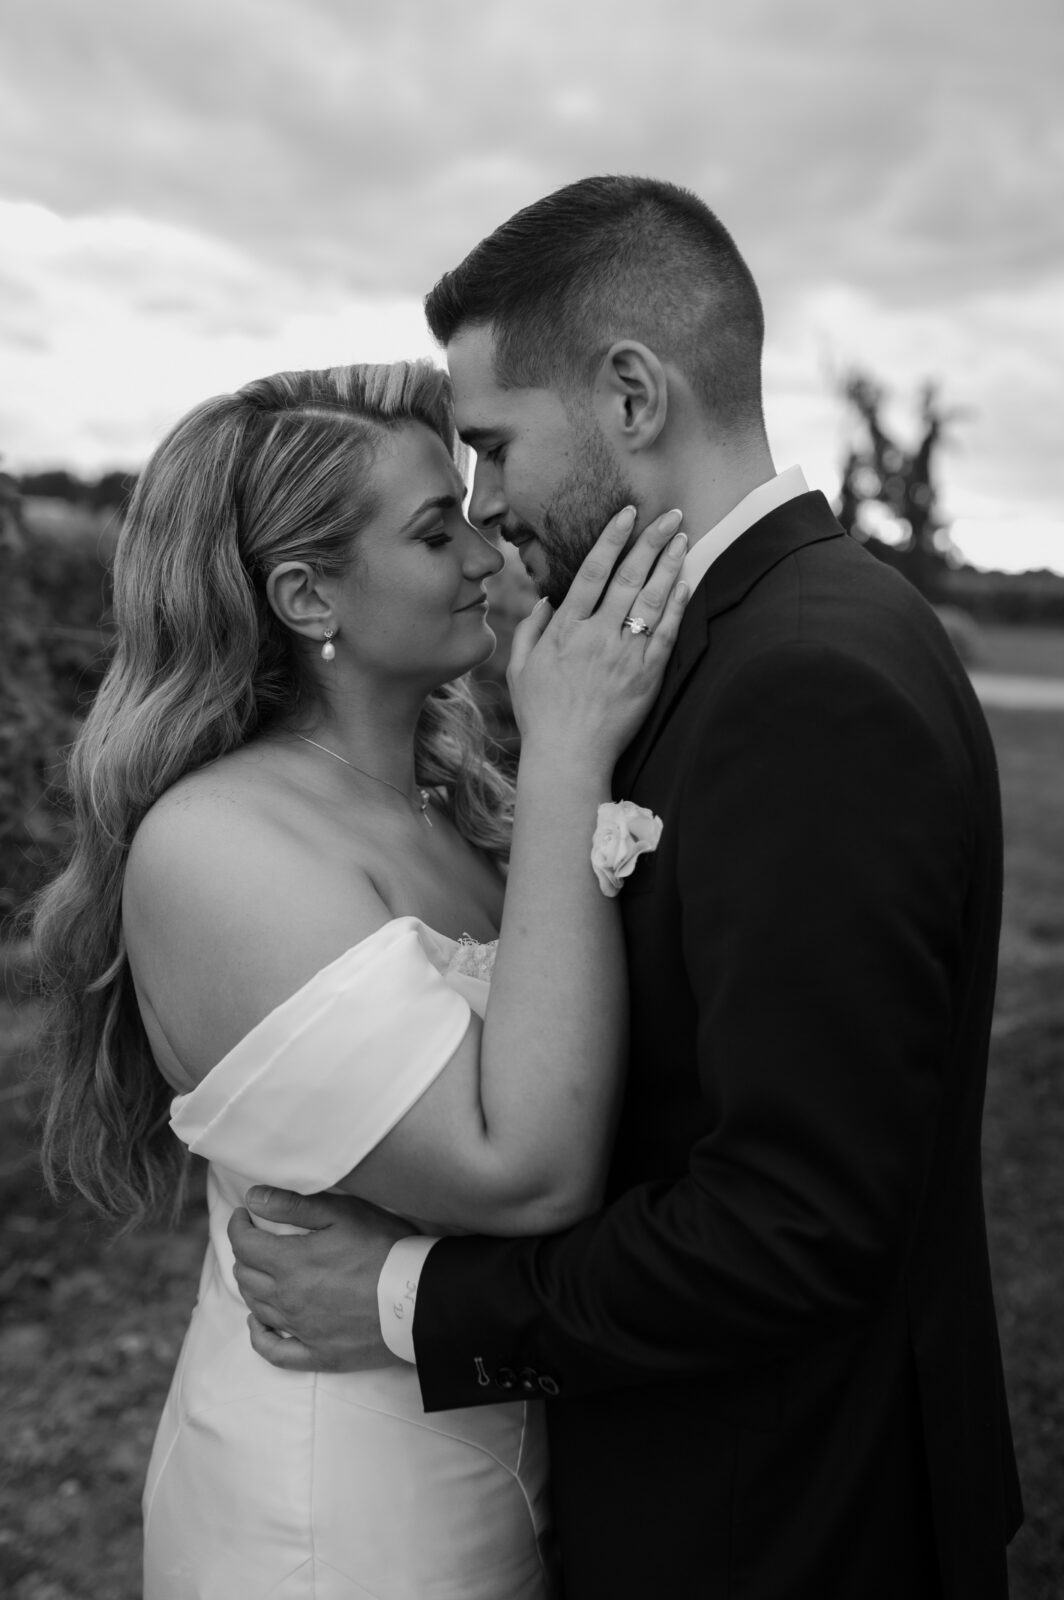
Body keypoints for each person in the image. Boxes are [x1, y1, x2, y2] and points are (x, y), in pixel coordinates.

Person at [229, 177, 1023, 1599]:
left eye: (493, 446)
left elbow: (793, 1223)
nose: (486, 509)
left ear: (632, 396)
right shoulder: (757, 635)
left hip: (786, 1521)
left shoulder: (803, 683)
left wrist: (406, 1299)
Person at [31, 355, 690, 1598]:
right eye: (436, 532)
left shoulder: (444, 807)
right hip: (335, 1514)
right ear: (304, 593)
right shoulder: (218, 844)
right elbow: (523, 1169)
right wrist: (568, 757)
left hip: (492, 1445)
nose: (488, 556)